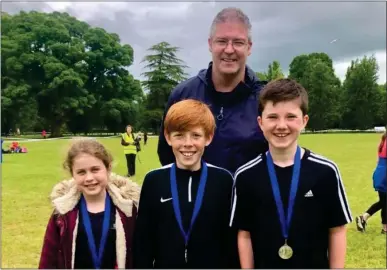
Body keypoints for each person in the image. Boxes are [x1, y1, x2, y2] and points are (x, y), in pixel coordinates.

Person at [230, 79, 352, 269]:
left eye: (290, 117)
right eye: (272, 117)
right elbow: (244, 234)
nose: (281, 125)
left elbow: (337, 230)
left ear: (304, 121)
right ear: (260, 123)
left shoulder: (326, 171)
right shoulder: (245, 175)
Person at [157, 7, 268, 174]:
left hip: (251, 200)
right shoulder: (183, 94)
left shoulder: (266, 99)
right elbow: (167, 155)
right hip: (197, 200)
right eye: (222, 41)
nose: (229, 50)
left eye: (238, 42)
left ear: (249, 47)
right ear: (210, 44)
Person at [132, 99, 236, 268]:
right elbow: (143, 239)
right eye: (179, 135)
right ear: (167, 137)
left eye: (196, 135)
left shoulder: (224, 180)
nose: (188, 144)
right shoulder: (154, 180)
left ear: (208, 138)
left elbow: (230, 239)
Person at [38, 138, 140, 269]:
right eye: (81, 172)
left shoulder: (128, 210)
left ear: (108, 168)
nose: (89, 178)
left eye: (95, 169)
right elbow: (48, 259)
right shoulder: (62, 214)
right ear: (72, 174)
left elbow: (140, 255)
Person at [356, 129, 387, 234]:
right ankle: (365, 218)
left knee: (384, 202)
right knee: (384, 202)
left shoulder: (383, 140)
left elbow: (378, 160)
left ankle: (383, 227)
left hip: (380, 174)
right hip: (384, 176)